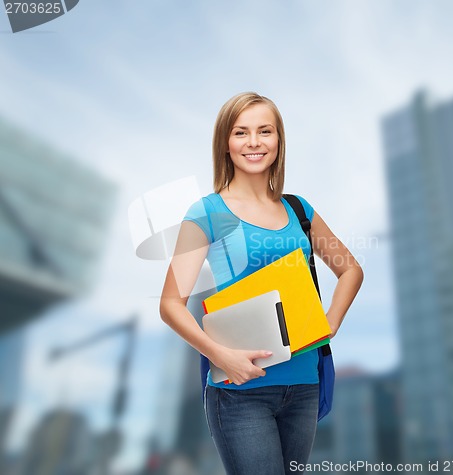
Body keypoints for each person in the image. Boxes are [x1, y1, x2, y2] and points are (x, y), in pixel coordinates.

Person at [159, 92, 363, 474]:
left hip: (303, 385)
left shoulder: (299, 209)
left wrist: (329, 323)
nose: (254, 142)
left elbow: (350, 270)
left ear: (279, 141)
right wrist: (221, 356)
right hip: (240, 392)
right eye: (241, 132)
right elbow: (170, 304)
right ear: (226, 143)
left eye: (264, 131)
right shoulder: (206, 211)